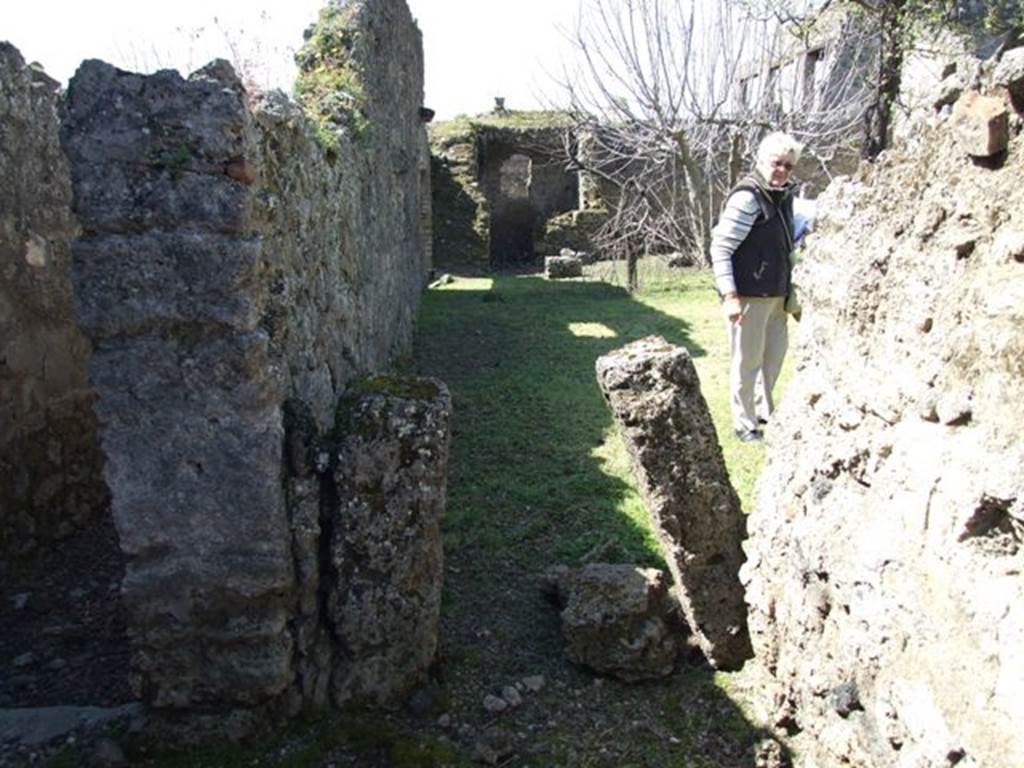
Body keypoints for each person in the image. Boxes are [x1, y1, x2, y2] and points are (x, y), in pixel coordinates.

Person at [710, 131, 802, 443]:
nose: (782, 171)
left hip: (776, 295)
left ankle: (764, 412)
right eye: (777, 163)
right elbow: (720, 247)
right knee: (746, 363)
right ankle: (744, 423)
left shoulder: (783, 196)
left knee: (774, 358)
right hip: (749, 295)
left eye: (789, 166)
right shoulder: (748, 196)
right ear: (762, 161)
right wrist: (730, 295)